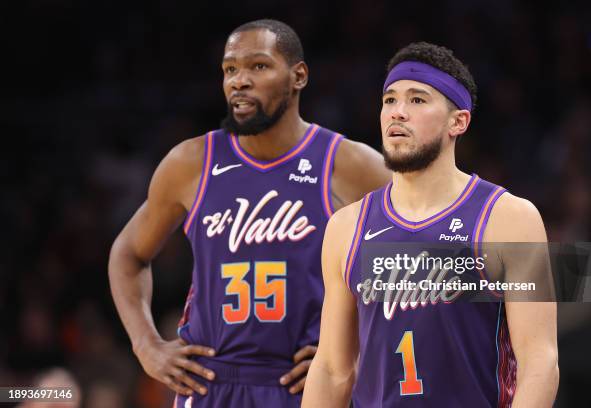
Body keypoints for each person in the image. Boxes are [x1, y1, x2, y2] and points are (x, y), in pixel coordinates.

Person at [108, 19, 390, 408]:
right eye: (230, 69)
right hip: (210, 382)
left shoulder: (348, 163)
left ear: (298, 76)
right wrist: (146, 345)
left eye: (258, 66)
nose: (239, 80)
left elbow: (423, 264)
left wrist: (361, 349)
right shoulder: (190, 163)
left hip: (307, 386)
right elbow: (128, 254)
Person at [303, 42, 559, 407]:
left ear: (458, 121)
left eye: (418, 100)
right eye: (389, 100)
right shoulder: (346, 227)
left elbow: (540, 362)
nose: (398, 113)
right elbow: (332, 369)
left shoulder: (509, 219)